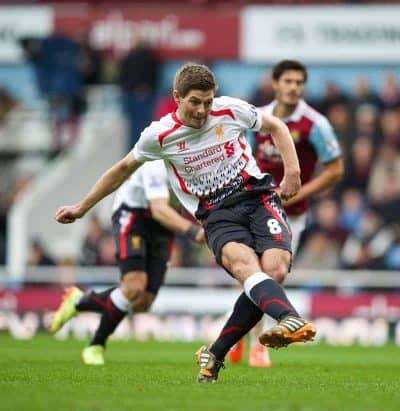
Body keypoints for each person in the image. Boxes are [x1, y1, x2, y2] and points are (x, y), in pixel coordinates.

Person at [54, 63, 316, 383]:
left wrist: (293, 172)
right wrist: (82, 207)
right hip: (216, 214)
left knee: (275, 270)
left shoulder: (230, 110)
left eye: (208, 101)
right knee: (246, 268)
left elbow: (275, 126)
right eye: (195, 102)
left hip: (258, 198)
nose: (203, 110)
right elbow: (121, 170)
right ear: (177, 97)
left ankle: (215, 352)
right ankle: (289, 317)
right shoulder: (159, 135)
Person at [236, 59, 342, 367]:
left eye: (299, 82)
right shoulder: (258, 118)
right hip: (253, 205)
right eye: (288, 81)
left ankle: (253, 339)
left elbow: (336, 170)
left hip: (290, 213)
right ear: (276, 83)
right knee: (248, 271)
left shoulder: (314, 124)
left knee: (272, 273)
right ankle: (253, 340)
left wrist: (297, 191)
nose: (294, 87)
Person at [50, 161, 204, 365]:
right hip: (134, 213)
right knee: (133, 286)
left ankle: (79, 301)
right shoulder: (157, 161)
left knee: (143, 301)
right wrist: (195, 231)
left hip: (164, 222)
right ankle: (96, 345)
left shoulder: (198, 160)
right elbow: (159, 209)